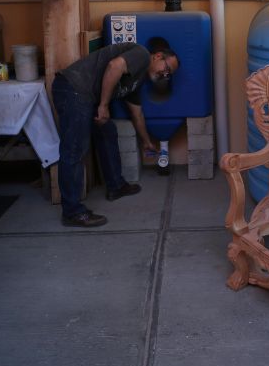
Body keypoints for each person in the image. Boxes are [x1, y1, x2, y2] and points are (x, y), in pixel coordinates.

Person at [52, 42, 179, 227]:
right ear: (158, 56)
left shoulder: (136, 81)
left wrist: (146, 142)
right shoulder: (142, 54)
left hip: (86, 96)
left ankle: (116, 186)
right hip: (74, 89)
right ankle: (72, 212)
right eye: (166, 68)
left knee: (107, 132)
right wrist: (103, 106)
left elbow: (137, 114)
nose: (164, 74)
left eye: (168, 74)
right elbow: (115, 66)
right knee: (74, 149)